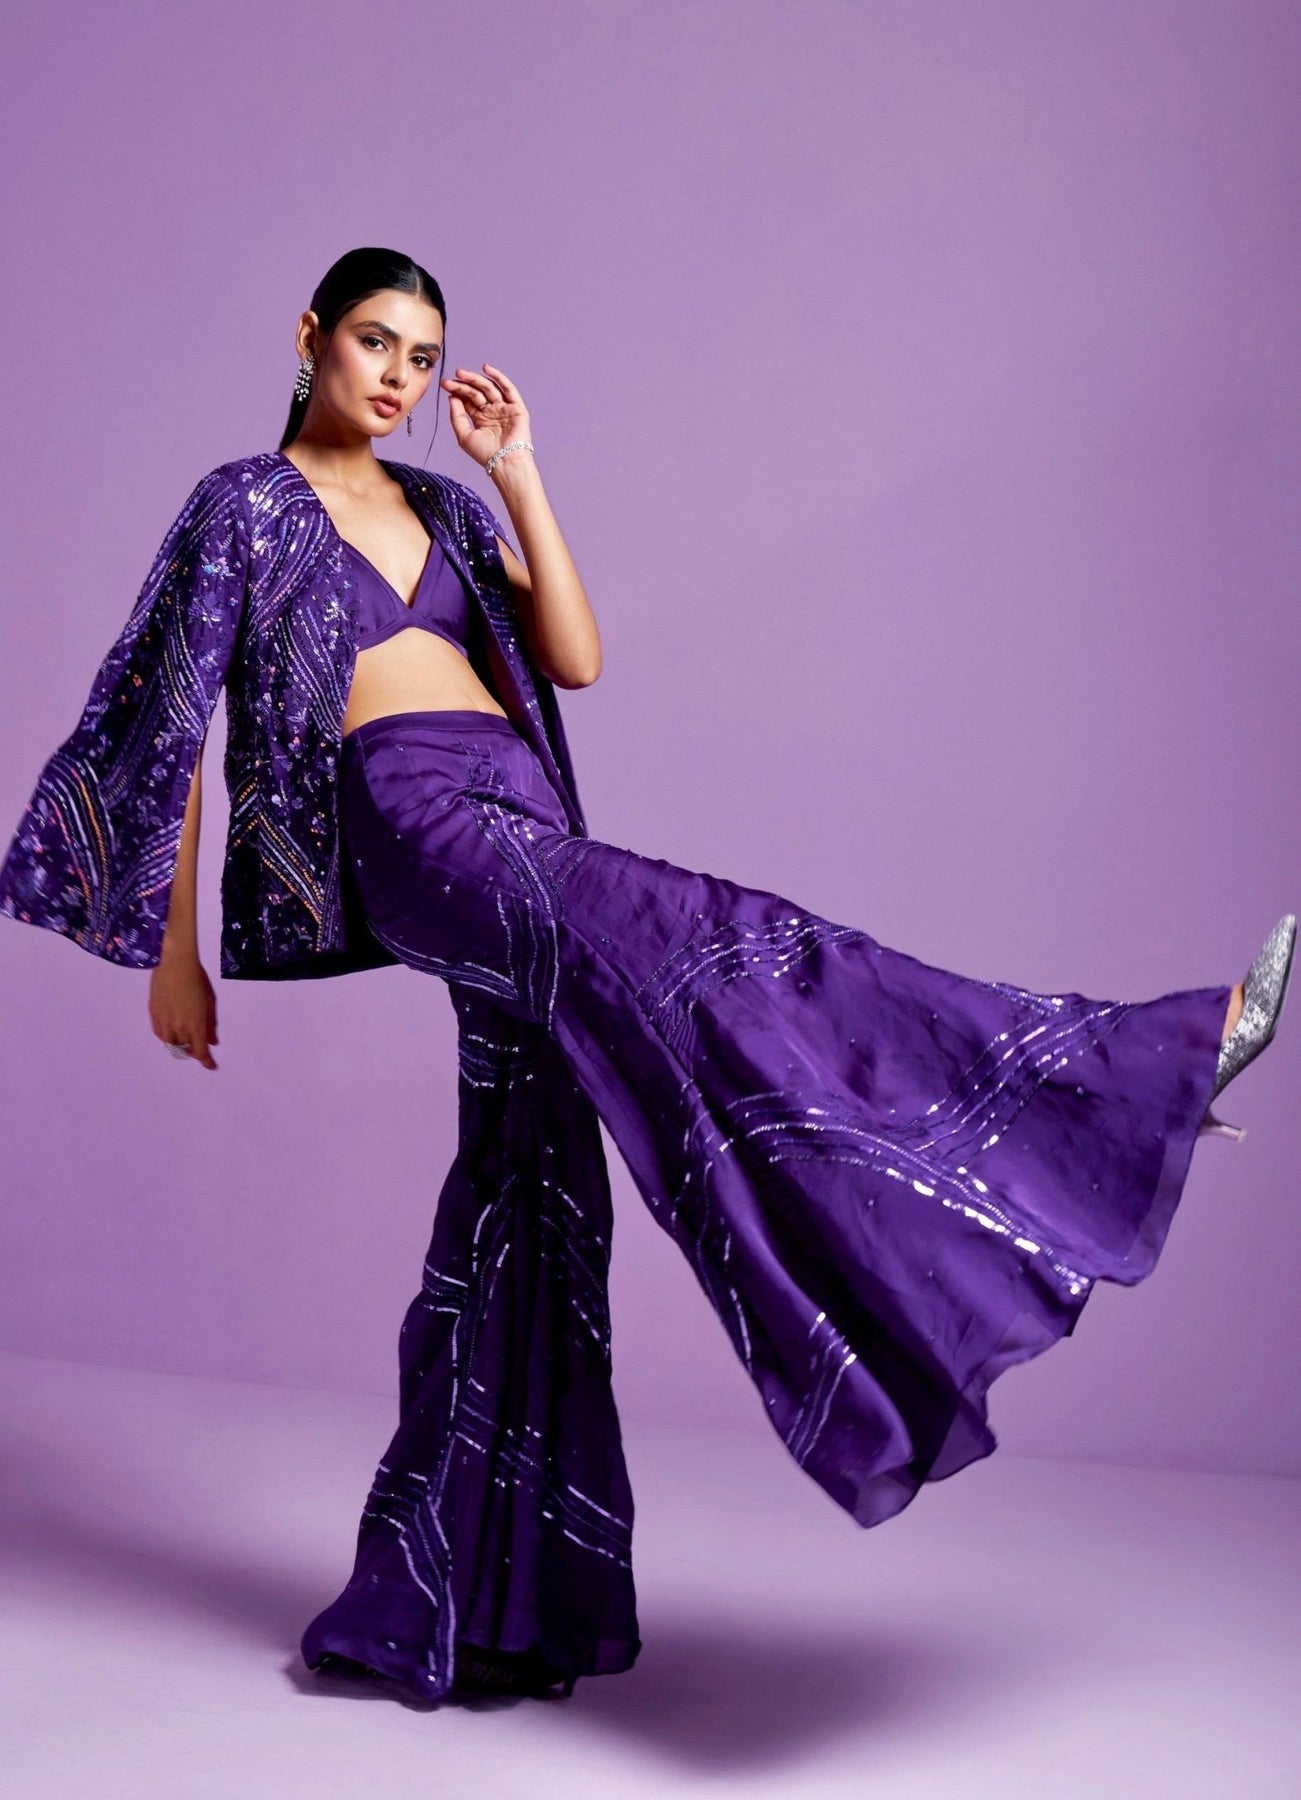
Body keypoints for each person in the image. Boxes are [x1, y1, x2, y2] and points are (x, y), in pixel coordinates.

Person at [0, 247, 1293, 1709]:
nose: (398, 379)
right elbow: (168, 727)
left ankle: (463, 1608)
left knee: (531, 1195)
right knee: (724, 938)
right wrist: (173, 957)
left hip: (520, 807)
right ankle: (1124, 1070)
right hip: (416, 824)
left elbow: (575, 657)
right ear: (310, 337)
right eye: (373, 343)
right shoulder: (243, 505)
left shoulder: (442, 505)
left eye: (421, 357)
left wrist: (520, 473)